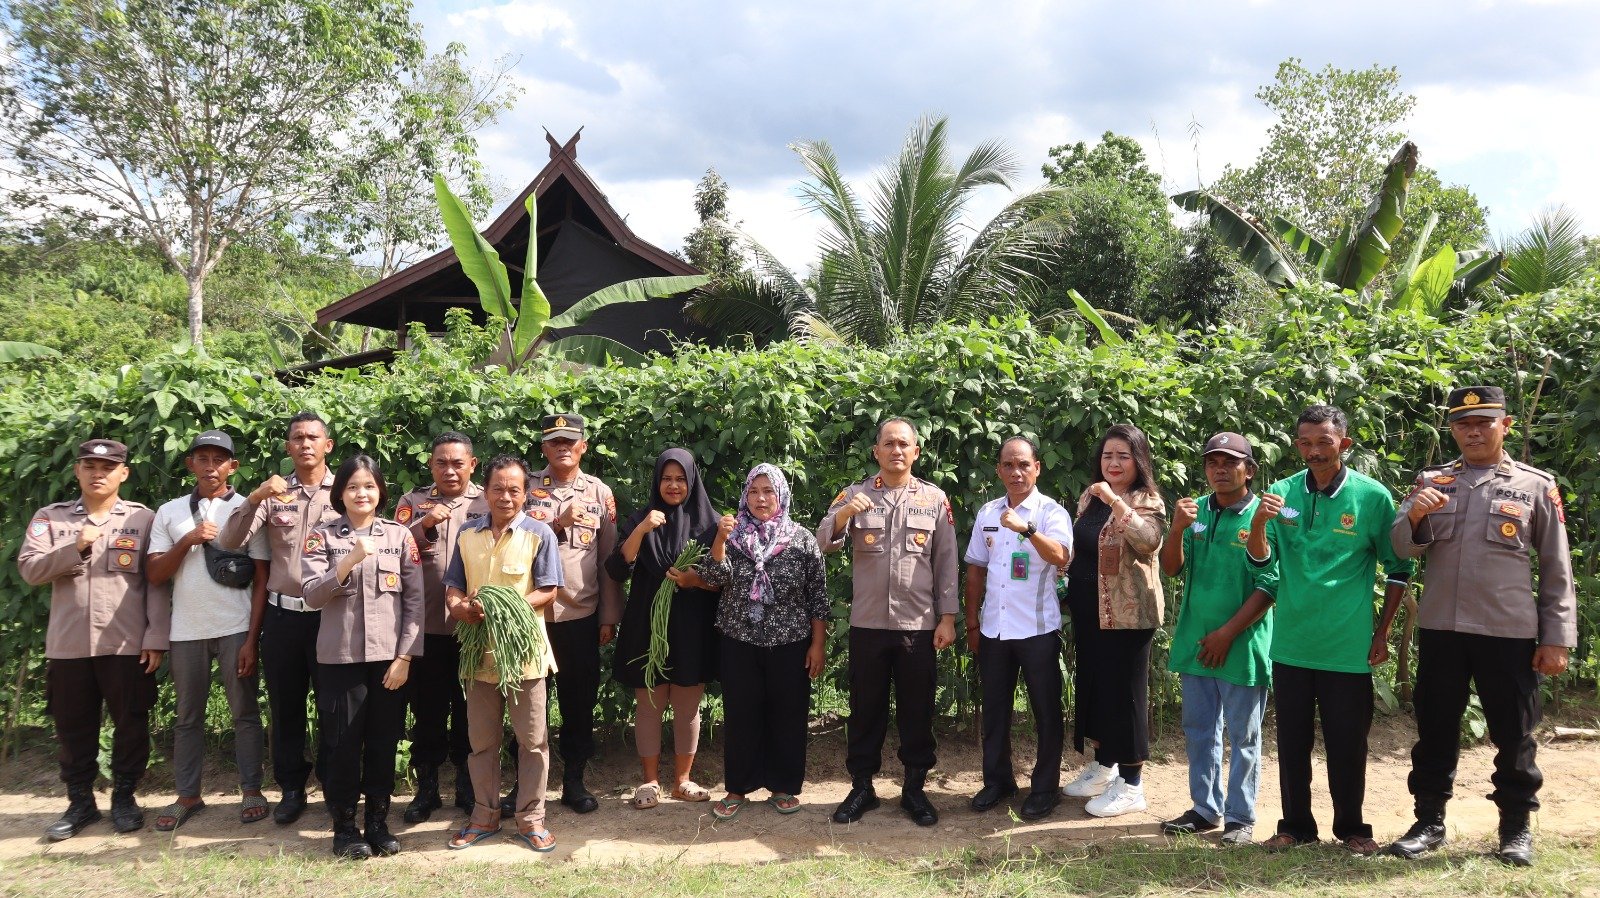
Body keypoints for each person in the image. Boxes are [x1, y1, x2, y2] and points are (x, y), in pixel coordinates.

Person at [1386, 386, 1576, 867]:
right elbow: (1401, 549)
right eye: (1462, 424)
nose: (1472, 432)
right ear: (1452, 429)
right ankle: (1428, 821)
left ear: (1504, 425)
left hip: (1507, 632)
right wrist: (1415, 514)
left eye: (1483, 423)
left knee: (1514, 733)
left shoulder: (1535, 485)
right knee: (1435, 729)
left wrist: (1556, 637)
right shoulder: (1432, 481)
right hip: (1442, 630)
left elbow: (1557, 567)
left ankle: (1515, 828)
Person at [1245, 404, 1413, 855]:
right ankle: (1295, 825)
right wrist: (1260, 521)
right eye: (1305, 442)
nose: (1314, 451)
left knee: (1347, 744)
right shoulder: (1280, 494)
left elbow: (1399, 568)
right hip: (1292, 644)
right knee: (1292, 744)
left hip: (1348, 645)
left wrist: (1382, 634)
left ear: (1345, 443)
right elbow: (1262, 561)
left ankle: (1354, 828)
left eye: (1323, 441)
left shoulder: (1373, 497)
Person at [18, 439, 169, 841]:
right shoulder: (51, 518)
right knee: (73, 728)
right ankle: (80, 802)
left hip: (125, 643)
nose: (97, 473)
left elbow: (154, 582)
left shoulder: (143, 520)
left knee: (131, 722)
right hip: (69, 645)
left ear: (124, 473)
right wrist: (76, 545)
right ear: (77, 471)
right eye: (89, 465)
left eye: (107, 466)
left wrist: (155, 636)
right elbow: (31, 570)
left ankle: (124, 797)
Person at [819, 417, 959, 827]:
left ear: (916, 452)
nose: (896, 451)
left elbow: (946, 562)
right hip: (868, 626)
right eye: (888, 444)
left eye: (904, 445)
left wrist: (947, 618)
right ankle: (862, 787)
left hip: (918, 625)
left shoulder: (934, 499)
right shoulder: (855, 494)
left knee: (917, 710)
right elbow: (821, 542)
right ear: (876, 451)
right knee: (866, 709)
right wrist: (844, 514)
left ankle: (914, 789)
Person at [145, 430, 271, 831]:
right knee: (187, 718)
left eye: (220, 459)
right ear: (191, 465)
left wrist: (252, 639)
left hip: (235, 628)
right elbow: (155, 574)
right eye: (203, 458)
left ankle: (251, 790)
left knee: (245, 714)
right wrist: (187, 541)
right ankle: (188, 794)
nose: (211, 466)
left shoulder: (249, 510)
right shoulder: (169, 512)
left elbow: (262, 579)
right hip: (186, 631)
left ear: (233, 466)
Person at [301, 455, 425, 859]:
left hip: (389, 661)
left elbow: (415, 602)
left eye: (369, 486)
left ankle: (377, 822)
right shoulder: (321, 537)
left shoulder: (399, 536)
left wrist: (405, 657)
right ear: (340, 493)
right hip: (340, 660)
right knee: (341, 744)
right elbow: (311, 595)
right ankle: (344, 827)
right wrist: (350, 559)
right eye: (353, 486)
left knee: (383, 742)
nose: (362, 493)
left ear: (380, 492)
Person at [220, 410, 340, 825]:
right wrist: (254, 497)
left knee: (332, 706)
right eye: (297, 438)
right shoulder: (272, 494)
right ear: (288, 447)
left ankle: (333, 786)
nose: (305, 444)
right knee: (285, 707)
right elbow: (229, 540)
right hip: (283, 618)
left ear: (328, 445)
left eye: (313, 437)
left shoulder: (345, 492)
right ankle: (291, 788)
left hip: (330, 618)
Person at [1159, 432, 1277, 845]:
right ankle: (1205, 808)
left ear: (1250, 470)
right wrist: (1175, 528)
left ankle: (1241, 818)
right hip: (1195, 642)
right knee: (1199, 729)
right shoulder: (1195, 512)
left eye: (1230, 462)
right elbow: (1171, 569)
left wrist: (1227, 634)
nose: (1220, 470)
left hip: (1242, 647)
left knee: (1244, 737)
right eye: (1212, 462)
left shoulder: (1264, 515)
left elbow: (1269, 586)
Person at [443, 455, 564, 852]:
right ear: (486, 490)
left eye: (515, 490)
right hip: (479, 658)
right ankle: (484, 815)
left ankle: (531, 819)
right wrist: (461, 607)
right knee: (481, 742)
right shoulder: (467, 534)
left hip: (525, 656)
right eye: (499, 488)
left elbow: (548, 590)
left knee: (532, 742)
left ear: (526, 493)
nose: (506, 497)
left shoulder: (539, 534)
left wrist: (502, 607)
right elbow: (454, 589)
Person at [700, 463, 829, 820]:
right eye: (754, 491)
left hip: (790, 643)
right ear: (745, 495)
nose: (760, 499)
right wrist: (720, 540)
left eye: (768, 491)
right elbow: (713, 578)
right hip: (739, 641)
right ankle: (737, 788)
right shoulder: (733, 535)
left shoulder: (801, 540)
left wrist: (817, 646)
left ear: (781, 495)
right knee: (741, 715)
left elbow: (818, 598)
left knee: (787, 715)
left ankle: (783, 787)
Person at [963, 436, 1073, 821]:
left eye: (1024, 464)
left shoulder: (1050, 511)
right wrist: (972, 622)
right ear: (998, 470)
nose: (1016, 472)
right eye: (1008, 465)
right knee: (994, 710)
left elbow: (1061, 556)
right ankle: (998, 781)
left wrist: (1026, 529)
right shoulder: (987, 513)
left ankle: (1045, 789)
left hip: (1037, 631)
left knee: (1046, 711)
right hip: (994, 630)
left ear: (1037, 467)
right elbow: (976, 568)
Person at [1061, 423, 1168, 818]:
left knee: (1126, 698)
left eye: (1123, 455)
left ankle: (1132, 784)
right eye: (1108, 455)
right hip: (1091, 612)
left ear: (1138, 461)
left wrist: (1116, 502)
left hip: (1128, 617)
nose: (1114, 462)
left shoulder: (1147, 499)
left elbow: (1147, 542)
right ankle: (1103, 768)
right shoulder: (1090, 499)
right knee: (1098, 691)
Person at [605, 448, 721, 809]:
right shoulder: (642, 518)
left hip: (692, 626)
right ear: (657, 482)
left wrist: (694, 580)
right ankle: (650, 783)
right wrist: (641, 529)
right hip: (646, 625)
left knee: (688, 704)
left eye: (681, 479)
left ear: (692, 481)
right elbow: (617, 568)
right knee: (649, 704)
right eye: (666, 478)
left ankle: (682, 781)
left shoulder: (712, 523)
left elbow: (723, 579)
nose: (673, 485)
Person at [522, 413, 621, 815]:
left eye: (570, 441)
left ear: (583, 446)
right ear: (544, 448)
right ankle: (529, 784)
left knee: (579, 704)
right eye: (554, 442)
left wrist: (608, 616)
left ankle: (574, 781)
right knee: (530, 705)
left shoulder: (599, 493)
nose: (562, 447)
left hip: (580, 617)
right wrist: (556, 525)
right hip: (531, 617)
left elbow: (608, 559)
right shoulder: (525, 488)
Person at [393, 432, 487, 823]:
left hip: (474, 628)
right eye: (441, 463)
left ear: (472, 465)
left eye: (457, 463)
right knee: (428, 712)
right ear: (431, 466)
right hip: (426, 627)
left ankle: (468, 788)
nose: (449, 470)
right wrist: (425, 524)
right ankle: (427, 790)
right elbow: (394, 545)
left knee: (472, 713)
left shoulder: (488, 500)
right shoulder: (412, 503)